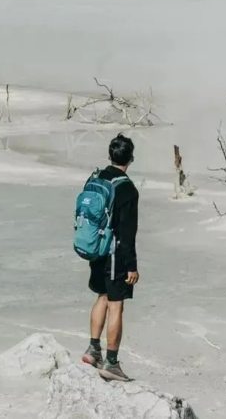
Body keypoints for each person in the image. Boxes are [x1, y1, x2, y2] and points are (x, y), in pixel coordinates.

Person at [81, 133, 140, 381]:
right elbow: (127, 232)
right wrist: (132, 266)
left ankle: (93, 350)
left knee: (102, 296)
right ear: (131, 158)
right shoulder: (127, 189)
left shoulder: (95, 178)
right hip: (115, 253)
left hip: (96, 248)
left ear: (110, 155)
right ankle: (111, 362)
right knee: (116, 304)